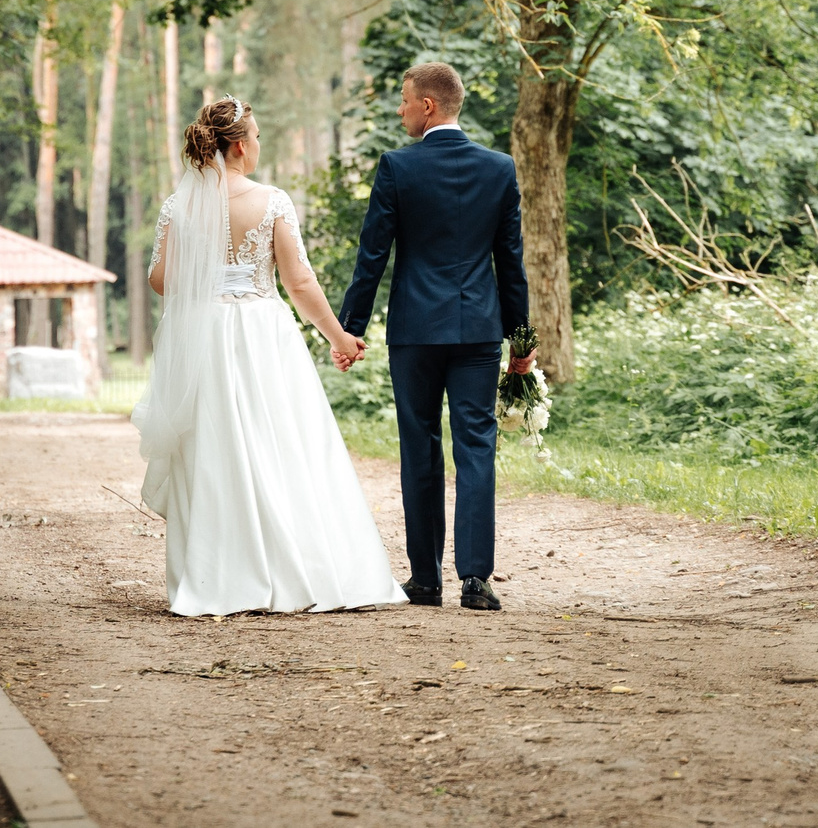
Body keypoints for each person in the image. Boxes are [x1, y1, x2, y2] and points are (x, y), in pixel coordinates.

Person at [132, 97, 407, 616]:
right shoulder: (272, 201)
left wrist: (207, 272)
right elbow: (299, 283)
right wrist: (339, 338)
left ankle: (215, 576)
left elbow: (161, 280)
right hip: (260, 332)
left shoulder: (179, 205)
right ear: (240, 145)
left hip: (204, 336)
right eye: (256, 136)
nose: (258, 144)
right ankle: (297, 570)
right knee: (281, 443)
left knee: (213, 449)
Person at [337, 61, 529, 611]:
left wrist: (351, 329)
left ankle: (425, 579)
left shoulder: (398, 167)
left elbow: (372, 255)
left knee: (419, 448)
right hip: (478, 332)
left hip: (416, 332)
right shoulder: (499, 168)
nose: (400, 110)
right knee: (476, 446)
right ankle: (476, 580)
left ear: (428, 105)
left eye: (404, 100)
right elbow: (510, 263)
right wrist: (521, 339)